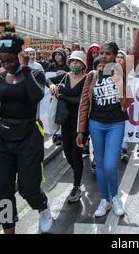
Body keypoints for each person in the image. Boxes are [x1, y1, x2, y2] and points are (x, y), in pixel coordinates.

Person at [76, 12, 139, 217]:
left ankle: (115, 197)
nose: (103, 57)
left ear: (115, 56)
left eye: (108, 54)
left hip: (116, 123)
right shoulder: (91, 76)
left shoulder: (120, 70)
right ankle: (105, 200)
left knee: (110, 164)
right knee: (99, 164)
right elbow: (84, 105)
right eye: (101, 54)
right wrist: (81, 130)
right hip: (95, 125)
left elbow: (136, 50)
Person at [0, 33, 52, 234]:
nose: (6, 65)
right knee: (2, 191)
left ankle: (42, 205)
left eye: (10, 60)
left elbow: (36, 96)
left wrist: (24, 69)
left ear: (20, 55)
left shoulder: (35, 75)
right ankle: (9, 230)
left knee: (27, 188)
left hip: (28, 138)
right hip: (3, 139)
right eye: (3, 60)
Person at [47, 51, 87, 203]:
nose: (74, 64)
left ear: (83, 64)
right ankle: (78, 173)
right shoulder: (65, 76)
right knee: (67, 153)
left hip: (80, 122)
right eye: (72, 62)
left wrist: (61, 96)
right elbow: (49, 80)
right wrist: (52, 86)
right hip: (65, 120)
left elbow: (81, 101)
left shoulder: (87, 79)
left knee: (76, 154)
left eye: (77, 62)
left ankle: (76, 186)